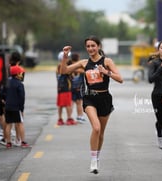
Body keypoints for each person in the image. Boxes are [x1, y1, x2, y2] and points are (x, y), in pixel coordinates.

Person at [60, 35, 123, 174]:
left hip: (105, 98)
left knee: (101, 133)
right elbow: (64, 71)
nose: (90, 48)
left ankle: (97, 157)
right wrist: (65, 56)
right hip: (90, 98)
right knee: (96, 128)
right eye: (88, 46)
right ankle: (93, 161)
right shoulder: (83, 63)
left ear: (98, 46)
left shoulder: (107, 61)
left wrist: (106, 72)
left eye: (93, 46)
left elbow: (120, 79)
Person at [5, 65, 30, 148]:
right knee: (20, 123)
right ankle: (23, 141)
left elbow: (2, 94)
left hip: (8, 106)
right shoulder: (19, 84)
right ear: (17, 74)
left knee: (8, 124)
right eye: (20, 73)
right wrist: (21, 108)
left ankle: (8, 142)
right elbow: (21, 97)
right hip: (16, 107)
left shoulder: (7, 82)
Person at [56, 51, 76, 126]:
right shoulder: (63, 66)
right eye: (67, 57)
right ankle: (69, 118)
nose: (68, 59)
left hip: (60, 88)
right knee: (68, 104)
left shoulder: (59, 66)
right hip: (66, 88)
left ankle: (60, 119)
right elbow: (71, 74)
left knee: (60, 104)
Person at [69, 52, 86, 123]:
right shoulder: (80, 64)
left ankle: (69, 117)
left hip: (70, 87)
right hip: (79, 87)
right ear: (78, 58)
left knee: (71, 103)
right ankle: (80, 116)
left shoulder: (69, 65)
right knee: (79, 103)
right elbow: (85, 72)